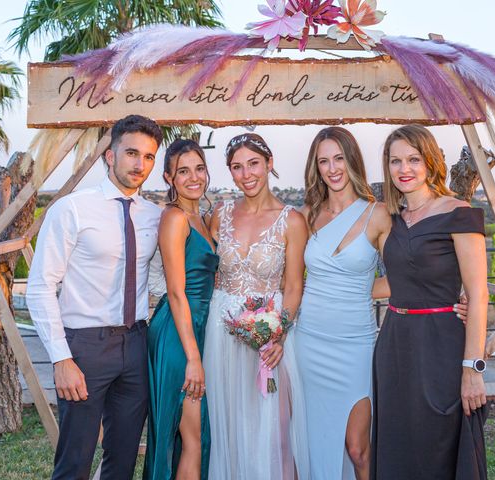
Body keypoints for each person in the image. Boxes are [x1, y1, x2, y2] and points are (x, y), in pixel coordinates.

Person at [26, 115, 163, 480]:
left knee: (123, 458)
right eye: (132, 153)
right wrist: (61, 359)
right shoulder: (72, 209)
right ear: (109, 154)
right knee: (75, 459)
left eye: (149, 157)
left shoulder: (153, 216)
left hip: (136, 344)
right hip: (85, 347)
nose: (139, 164)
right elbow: (40, 286)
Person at [371, 124, 488, 479]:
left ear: (431, 162)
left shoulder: (459, 212)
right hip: (394, 342)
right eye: (395, 161)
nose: (404, 169)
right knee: (397, 438)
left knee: (438, 438)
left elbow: (478, 293)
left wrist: (472, 368)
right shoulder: (390, 218)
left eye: (413, 159)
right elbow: (394, 282)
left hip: (440, 342)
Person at [203, 133, 311, 479]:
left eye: (253, 164)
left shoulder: (292, 220)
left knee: (275, 430)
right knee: (229, 427)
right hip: (221, 333)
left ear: (269, 163)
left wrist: (278, 335)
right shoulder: (220, 214)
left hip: (271, 336)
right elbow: (209, 275)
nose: (246, 174)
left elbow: (294, 286)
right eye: (237, 167)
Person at [295, 126, 392, 480]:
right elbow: (289, 278)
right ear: (316, 167)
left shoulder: (378, 214)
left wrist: (355, 289)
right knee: (312, 438)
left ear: (352, 161)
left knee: (358, 448)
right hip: (308, 340)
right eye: (324, 161)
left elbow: (401, 280)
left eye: (338, 158)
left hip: (356, 344)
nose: (332, 168)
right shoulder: (307, 214)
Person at [143, 139, 219, 480]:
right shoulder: (175, 218)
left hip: (199, 327)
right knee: (193, 437)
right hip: (178, 331)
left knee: (195, 432)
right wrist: (192, 358)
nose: (193, 177)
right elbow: (176, 292)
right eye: (183, 171)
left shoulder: (201, 217)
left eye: (199, 168)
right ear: (168, 178)